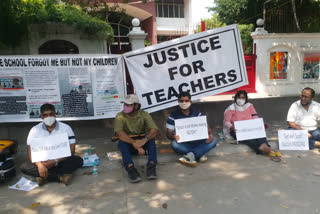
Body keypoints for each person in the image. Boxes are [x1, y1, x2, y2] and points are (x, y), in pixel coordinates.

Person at [20, 104, 83, 186]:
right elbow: (30, 151)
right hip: (43, 162)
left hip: (60, 161)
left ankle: (44, 177)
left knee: (78, 160)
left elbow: (72, 150)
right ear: (41, 116)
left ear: (55, 114)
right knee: (24, 167)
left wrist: (54, 161)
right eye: (45, 115)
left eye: (51, 114)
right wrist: (39, 165)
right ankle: (60, 177)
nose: (48, 117)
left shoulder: (66, 128)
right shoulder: (34, 130)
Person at [223, 90, 281, 159]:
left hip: (250, 128)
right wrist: (231, 127)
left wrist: (257, 125)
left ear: (246, 98)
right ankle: (261, 148)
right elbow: (226, 122)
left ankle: (265, 145)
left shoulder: (249, 106)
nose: (240, 99)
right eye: (239, 97)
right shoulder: (231, 108)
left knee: (260, 134)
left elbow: (255, 117)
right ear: (235, 98)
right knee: (249, 139)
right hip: (237, 130)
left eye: (243, 98)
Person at [114, 94, 158, 183]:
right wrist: (135, 144)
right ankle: (130, 169)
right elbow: (120, 133)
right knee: (122, 143)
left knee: (151, 140)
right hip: (128, 141)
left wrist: (144, 140)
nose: (126, 107)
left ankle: (151, 166)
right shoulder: (120, 116)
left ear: (136, 105)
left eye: (129, 105)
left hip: (141, 140)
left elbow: (154, 130)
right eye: (125, 104)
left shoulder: (144, 114)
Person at [166, 91, 216, 167]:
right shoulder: (173, 115)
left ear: (190, 102)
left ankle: (191, 155)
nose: (184, 103)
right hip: (184, 143)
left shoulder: (196, 112)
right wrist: (173, 136)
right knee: (174, 144)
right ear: (178, 102)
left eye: (186, 101)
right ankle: (199, 153)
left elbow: (206, 126)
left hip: (198, 141)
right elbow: (168, 134)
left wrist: (210, 134)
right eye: (181, 101)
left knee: (214, 140)